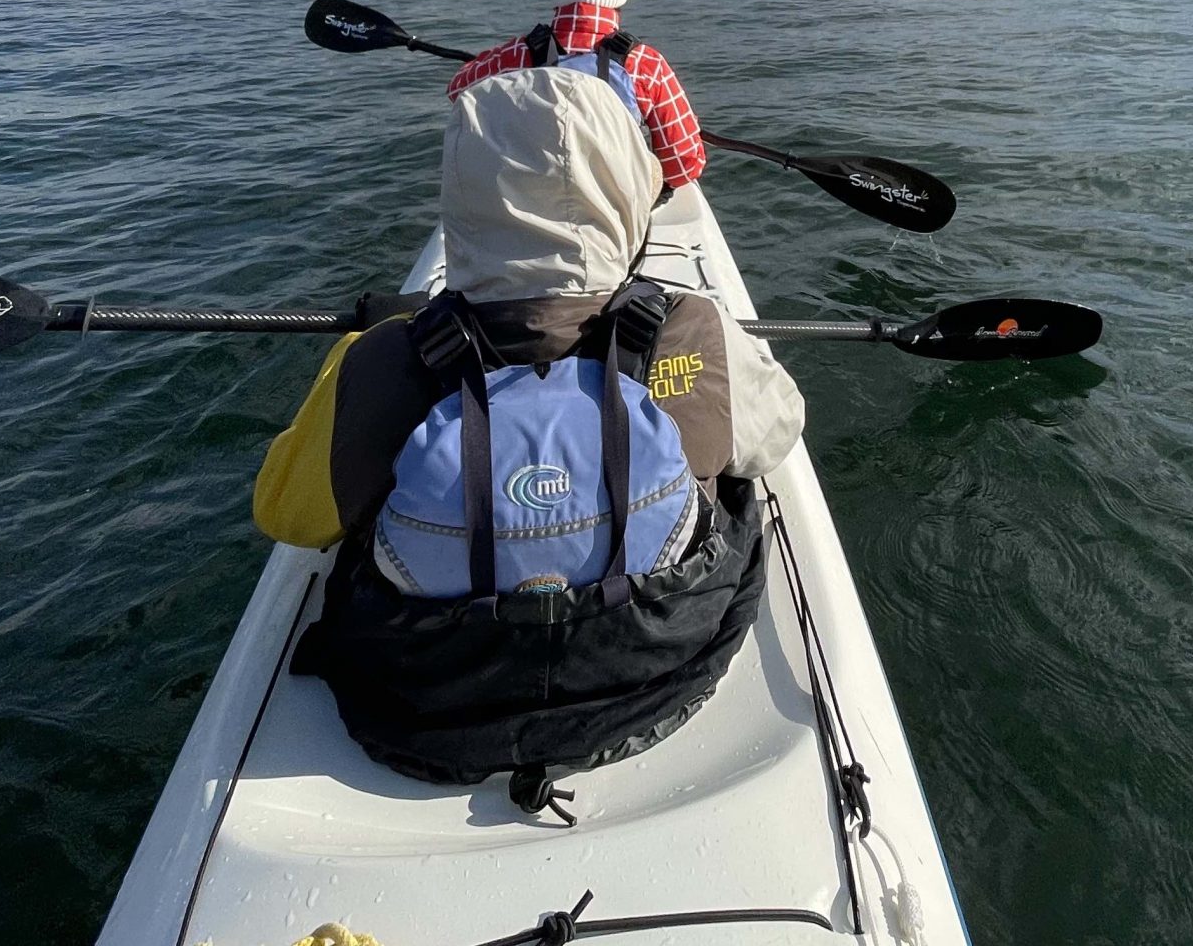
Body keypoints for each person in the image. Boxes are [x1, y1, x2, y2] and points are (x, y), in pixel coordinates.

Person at [255, 54, 805, 812]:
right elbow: (779, 434)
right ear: (626, 188)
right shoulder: (694, 332)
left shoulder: (385, 359)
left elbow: (285, 516)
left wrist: (355, 361)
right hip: (655, 672)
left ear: (464, 193)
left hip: (423, 709)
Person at [446, 0, 707, 192]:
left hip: (534, 213)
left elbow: (458, 89)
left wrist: (491, 62)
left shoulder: (518, 55)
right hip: (612, 227)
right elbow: (684, 163)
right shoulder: (645, 67)